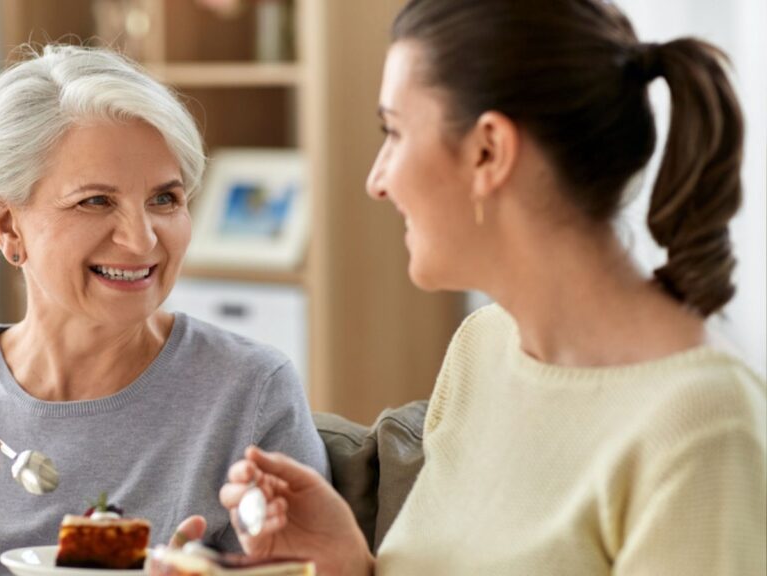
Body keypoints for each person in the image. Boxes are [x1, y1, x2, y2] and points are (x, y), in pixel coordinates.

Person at [181, 0, 767, 574]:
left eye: (394, 132)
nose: (376, 179)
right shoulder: (482, 348)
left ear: (489, 150)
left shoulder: (703, 426)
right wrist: (349, 565)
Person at [0, 45, 329, 576]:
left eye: (165, 199)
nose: (142, 239)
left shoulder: (251, 392)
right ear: (7, 223)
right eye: (95, 201)